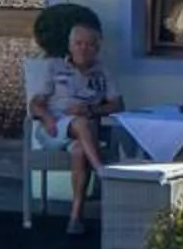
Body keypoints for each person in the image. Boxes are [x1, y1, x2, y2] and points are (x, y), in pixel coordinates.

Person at [31, 22, 121, 238]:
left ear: (97, 49)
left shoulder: (103, 72)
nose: (83, 48)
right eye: (78, 43)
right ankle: (102, 171)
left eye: (90, 44)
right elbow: (35, 103)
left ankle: (75, 216)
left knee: (80, 146)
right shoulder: (54, 68)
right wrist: (47, 117)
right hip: (53, 129)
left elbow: (117, 106)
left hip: (84, 131)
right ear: (70, 46)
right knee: (81, 123)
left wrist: (90, 108)